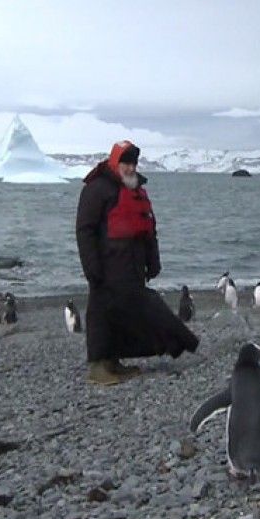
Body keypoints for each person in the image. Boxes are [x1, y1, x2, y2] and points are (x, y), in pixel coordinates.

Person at [75, 140, 199, 385]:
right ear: (114, 162)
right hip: (106, 267)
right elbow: (85, 230)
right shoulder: (97, 189)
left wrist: (153, 261)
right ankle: (97, 365)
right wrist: (91, 267)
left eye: (133, 163)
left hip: (132, 267)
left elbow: (149, 230)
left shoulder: (135, 190)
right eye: (125, 162)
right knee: (101, 312)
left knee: (127, 314)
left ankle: (113, 360)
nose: (130, 168)